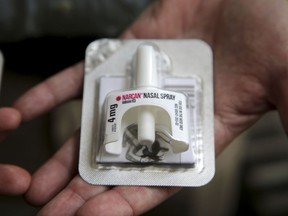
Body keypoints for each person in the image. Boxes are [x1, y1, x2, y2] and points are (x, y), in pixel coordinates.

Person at [1, 0, 288, 215]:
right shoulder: (118, 97)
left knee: (209, 187)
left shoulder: (173, 98)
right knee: (73, 129)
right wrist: (111, 142)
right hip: (51, 44)